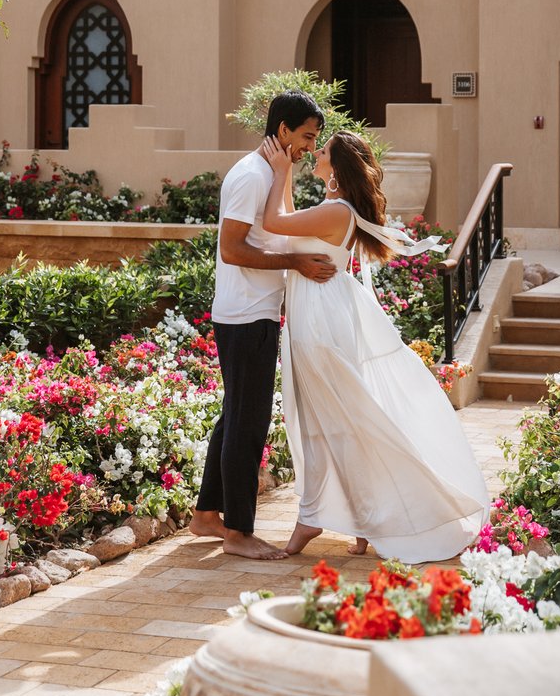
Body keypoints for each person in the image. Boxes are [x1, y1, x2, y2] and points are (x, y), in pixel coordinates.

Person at [261, 130, 490, 563]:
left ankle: (316, 516)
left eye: (323, 151)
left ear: (338, 167)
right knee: (337, 421)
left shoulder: (336, 212)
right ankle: (361, 522)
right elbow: (289, 221)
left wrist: (280, 170)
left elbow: (274, 223)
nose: (315, 153)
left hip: (319, 320)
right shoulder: (333, 210)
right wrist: (285, 176)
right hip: (322, 312)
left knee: (331, 421)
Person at [189, 91, 338, 560]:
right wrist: (294, 262)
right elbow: (232, 249)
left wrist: (286, 172)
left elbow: (283, 222)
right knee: (248, 423)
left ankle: (206, 516)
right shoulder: (251, 177)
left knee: (236, 414)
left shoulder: (269, 173)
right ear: (283, 132)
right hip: (246, 314)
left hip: (254, 311)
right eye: (306, 137)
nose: (311, 147)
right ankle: (238, 532)